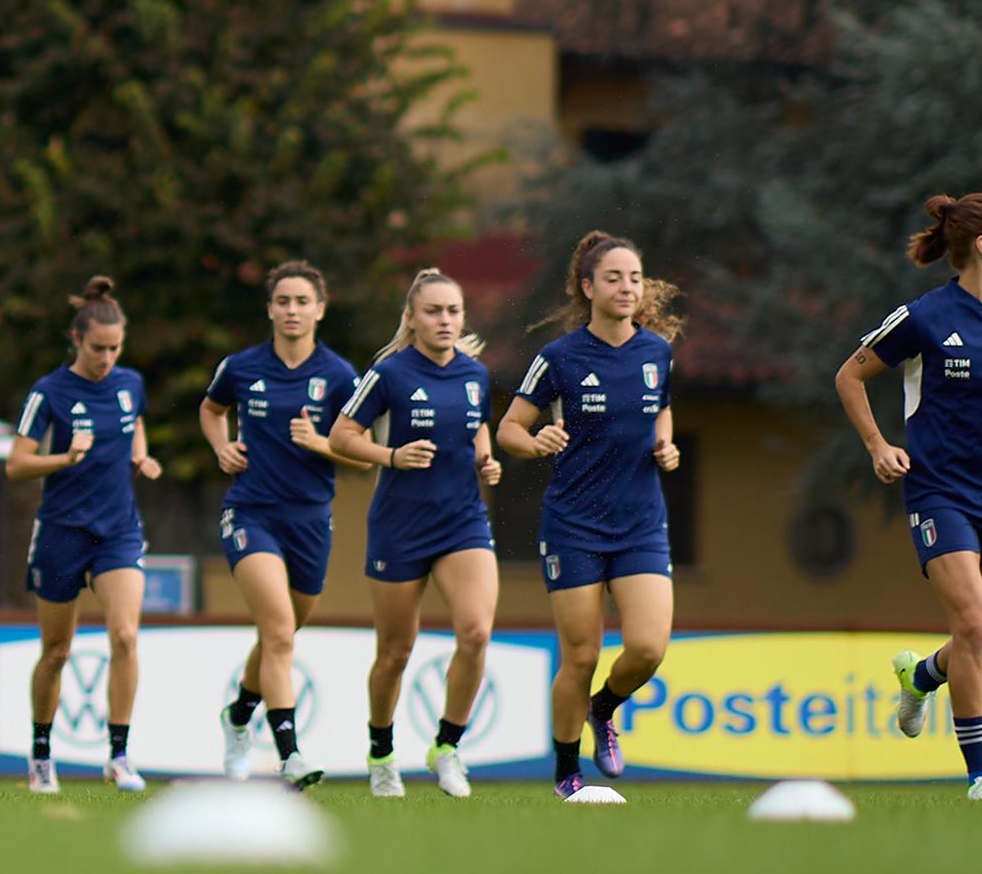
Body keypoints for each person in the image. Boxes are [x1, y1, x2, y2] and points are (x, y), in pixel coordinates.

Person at [832, 194, 982, 801]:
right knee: (971, 622)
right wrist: (878, 446)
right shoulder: (923, 316)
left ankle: (919, 677)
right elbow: (850, 374)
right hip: (939, 491)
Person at [499, 233, 684, 798]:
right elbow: (507, 430)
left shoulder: (657, 352)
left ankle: (604, 708)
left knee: (649, 648)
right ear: (588, 287)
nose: (626, 286)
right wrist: (536, 443)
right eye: (613, 278)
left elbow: (663, 410)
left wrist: (665, 444)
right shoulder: (559, 358)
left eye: (634, 277)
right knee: (579, 655)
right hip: (574, 524)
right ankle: (565, 772)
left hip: (640, 523)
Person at [327, 269, 500, 798]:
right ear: (412, 318)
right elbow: (340, 436)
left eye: (452, 311)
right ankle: (381, 753)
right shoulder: (390, 374)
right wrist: (391, 456)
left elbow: (477, 422)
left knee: (475, 633)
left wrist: (486, 457)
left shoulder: (476, 374)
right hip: (399, 528)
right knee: (396, 652)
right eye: (433, 311)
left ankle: (447, 746)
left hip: (462, 523)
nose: (444, 320)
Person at [199, 261, 351, 792]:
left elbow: (361, 452)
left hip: (310, 521)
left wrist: (324, 444)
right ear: (269, 309)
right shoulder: (241, 367)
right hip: (251, 514)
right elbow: (211, 409)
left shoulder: (339, 376)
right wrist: (221, 447)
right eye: (282, 301)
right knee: (280, 633)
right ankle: (289, 755)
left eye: (302, 301)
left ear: (320, 309)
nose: (292, 310)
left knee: (280, 633)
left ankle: (238, 714)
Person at [7, 278, 162, 796]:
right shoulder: (48, 392)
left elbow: (134, 422)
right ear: (77, 339)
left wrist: (141, 453)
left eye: (115, 348)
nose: (107, 358)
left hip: (118, 530)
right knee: (57, 651)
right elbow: (16, 464)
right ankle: (42, 755)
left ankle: (118, 756)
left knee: (125, 636)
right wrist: (64, 457)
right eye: (98, 348)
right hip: (62, 531)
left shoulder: (130, 383)